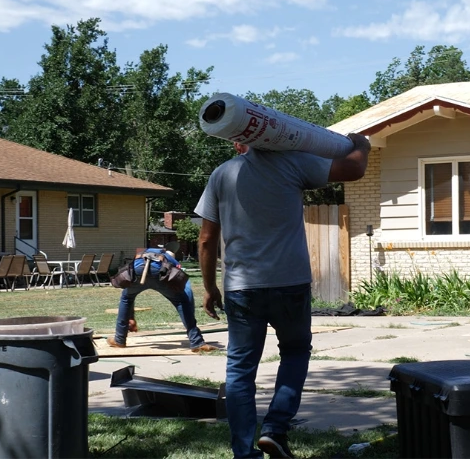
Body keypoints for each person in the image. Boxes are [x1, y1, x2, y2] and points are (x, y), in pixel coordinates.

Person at [195, 134, 370, 459]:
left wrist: (209, 287)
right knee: (294, 352)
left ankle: (244, 454)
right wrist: (363, 145)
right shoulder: (294, 163)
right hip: (290, 283)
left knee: (240, 369)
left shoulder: (222, 174)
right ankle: (275, 429)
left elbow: (206, 239)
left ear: (238, 143)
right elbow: (353, 169)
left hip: (241, 287)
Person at [106, 241, 216, 353]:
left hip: (138, 271)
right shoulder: (168, 257)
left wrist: (131, 318)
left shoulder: (141, 253)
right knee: (181, 302)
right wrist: (187, 302)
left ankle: (119, 339)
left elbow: (131, 269)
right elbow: (180, 278)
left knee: (127, 298)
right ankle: (197, 342)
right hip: (159, 272)